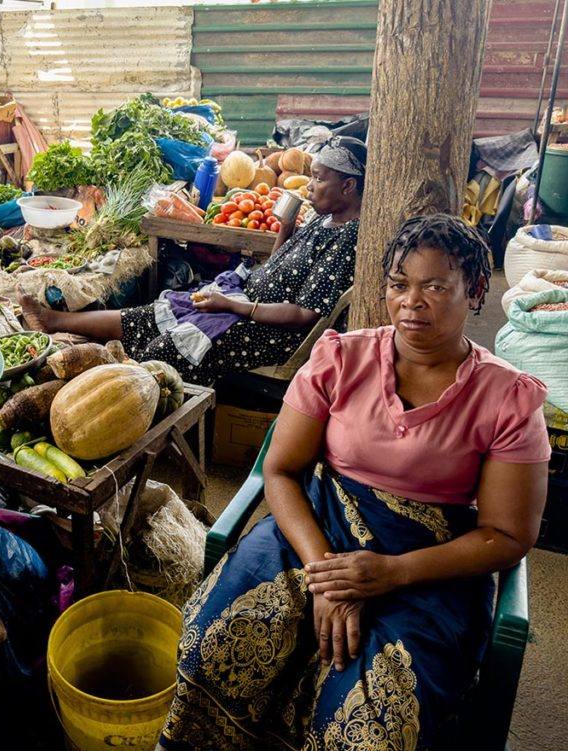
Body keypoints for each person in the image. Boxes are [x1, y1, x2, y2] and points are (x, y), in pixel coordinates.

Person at [159, 214, 550, 751]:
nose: (412, 302)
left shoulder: (507, 400)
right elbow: (280, 470)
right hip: (318, 530)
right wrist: (328, 577)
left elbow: (508, 535)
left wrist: (389, 574)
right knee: (219, 645)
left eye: (436, 286)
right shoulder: (341, 358)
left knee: (375, 726)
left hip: (429, 563)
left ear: (475, 290)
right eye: (399, 284)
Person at [19, 138, 366, 387]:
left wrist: (232, 306)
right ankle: (55, 320)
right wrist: (285, 230)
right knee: (154, 313)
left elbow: (304, 315)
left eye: (320, 178)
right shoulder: (323, 221)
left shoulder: (348, 239)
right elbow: (275, 270)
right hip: (245, 302)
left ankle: (124, 397)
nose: (310, 186)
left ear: (348, 187)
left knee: (167, 345)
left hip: (272, 332)